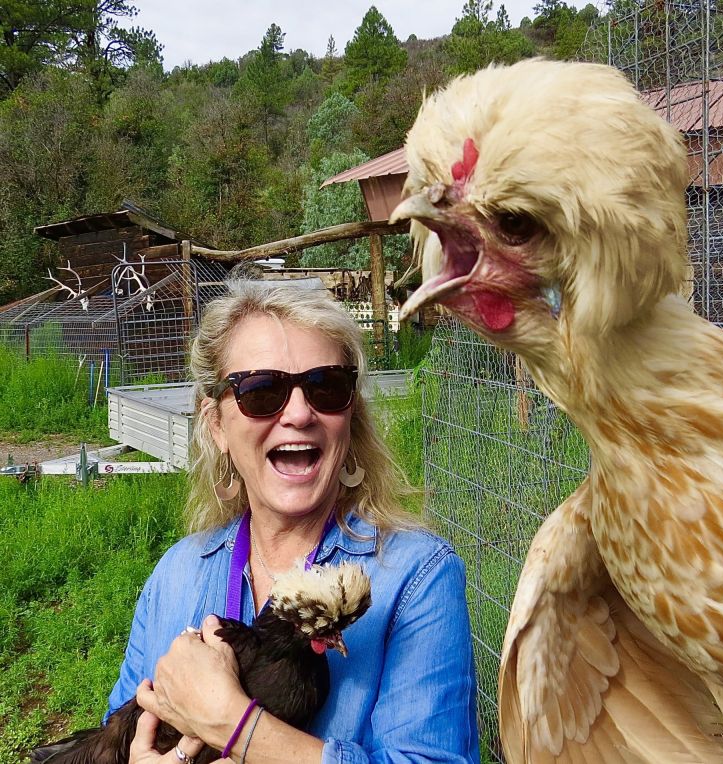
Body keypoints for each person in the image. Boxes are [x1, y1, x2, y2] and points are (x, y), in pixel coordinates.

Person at [107, 279, 479, 763]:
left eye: (327, 387)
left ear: (351, 415)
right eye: (262, 391)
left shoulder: (416, 578)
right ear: (217, 424)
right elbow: (118, 730)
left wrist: (235, 724)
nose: (300, 413)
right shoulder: (177, 574)